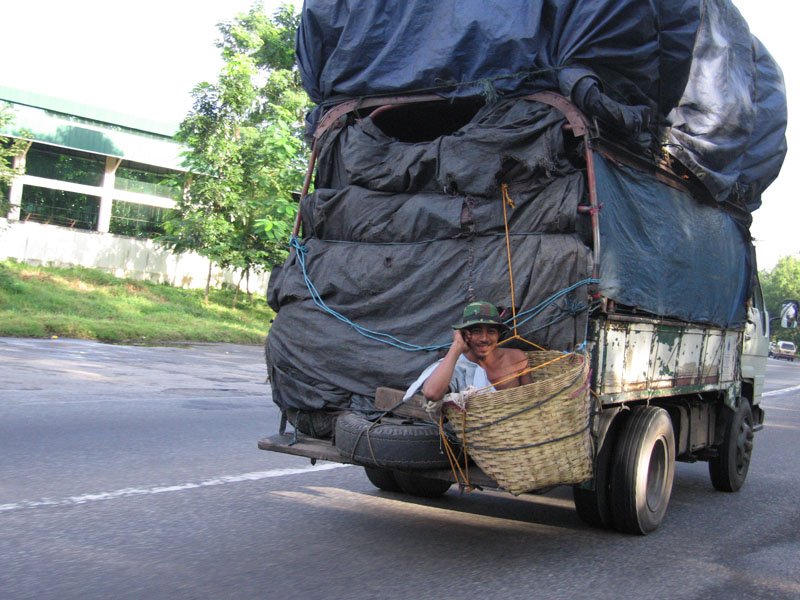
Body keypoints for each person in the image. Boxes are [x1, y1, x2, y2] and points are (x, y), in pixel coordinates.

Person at [404, 301, 532, 402]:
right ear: (465, 335)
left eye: (491, 332)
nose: (484, 338)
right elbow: (432, 394)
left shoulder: (517, 358)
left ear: (498, 335)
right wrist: (456, 346)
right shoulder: (457, 366)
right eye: (476, 331)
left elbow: (532, 399)